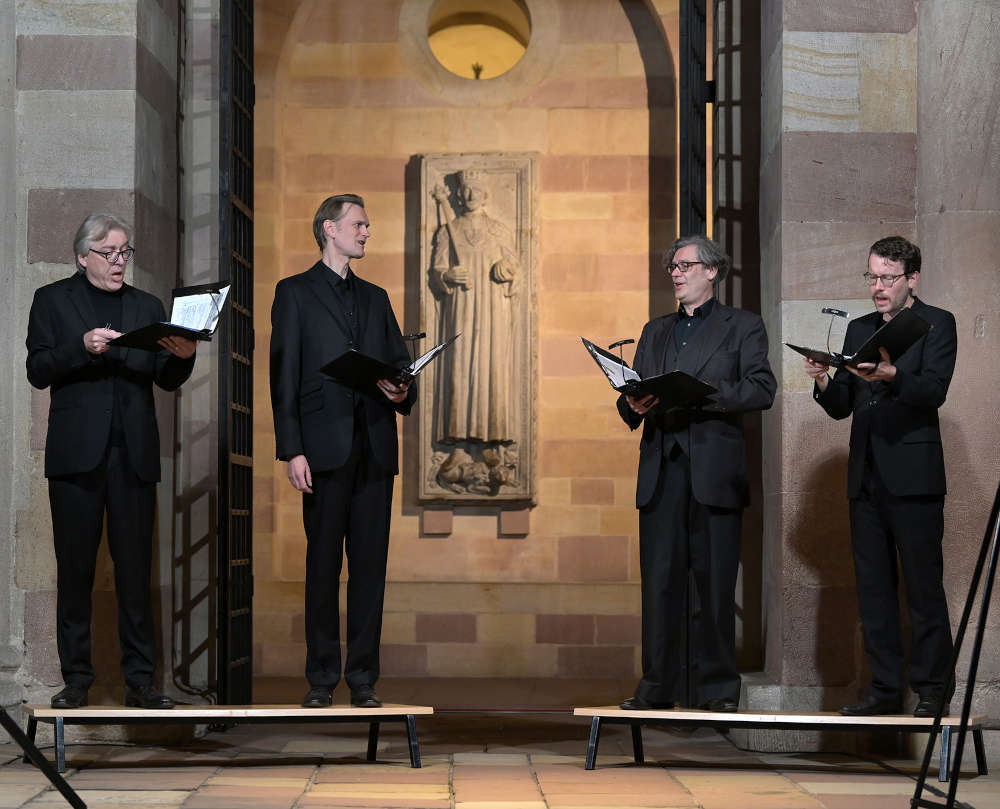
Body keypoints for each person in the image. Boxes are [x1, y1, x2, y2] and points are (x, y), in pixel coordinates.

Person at [26, 213, 197, 710]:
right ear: (83, 257)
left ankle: (141, 682)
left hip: (133, 457)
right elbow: (38, 369)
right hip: (76, 458)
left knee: (134, 573)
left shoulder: (146, 307)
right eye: (109, 253)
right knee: (75, 571)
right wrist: (81, 348)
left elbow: (166, 378)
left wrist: (184, 354)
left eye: (126, 252)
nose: (120, 261)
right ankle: (76, 679)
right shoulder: (53, 301)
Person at [618, 235, 775, 713]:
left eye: (685, 265)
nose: (675, 273)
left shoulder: (742, 326)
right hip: (662, 471)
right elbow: (633, 396)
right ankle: (656, 687)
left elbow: (762, 388)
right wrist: (631, 402)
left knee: (714, 584)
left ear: (712, 271)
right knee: (660, 583)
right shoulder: (655, 330)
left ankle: (717, 690)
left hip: (713, 471)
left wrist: (704, 395)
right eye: (672, 266)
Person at [270, 194, 415, 709]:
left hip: (374, 447)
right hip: (323, 449)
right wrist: (292, 450)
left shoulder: (376, 298)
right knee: (323, 564)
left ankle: (363, 678)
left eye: (368, 225)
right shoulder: (295, 293)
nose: (367, 232)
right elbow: (283, 376)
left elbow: (400, 366)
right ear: (329, 229)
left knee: (370, 567)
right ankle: (320, 677)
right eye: (360, 224)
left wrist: (402, 390)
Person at [805, 235, 956, 717]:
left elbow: (933, 391)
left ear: (912, 279)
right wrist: (824, 379)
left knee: (923, 588)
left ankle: (933, 689)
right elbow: (842, 406)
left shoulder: (936, 323)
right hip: (865, 477)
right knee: (873, 590)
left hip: (913, 477)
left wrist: (893, 377)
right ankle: (883, 689)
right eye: (871, 276)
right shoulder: (859, 329)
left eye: (887, 278)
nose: (877, 286)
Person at [430, 170, 519, 446]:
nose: (470, 196)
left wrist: (506, 270)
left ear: (485, 195)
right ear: (458, 194)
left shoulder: (498, 229)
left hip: (493, 309)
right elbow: (438, 270)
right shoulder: (448, 230)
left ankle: (495, 432)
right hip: (461, 307)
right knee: (459, 363)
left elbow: (515, 264)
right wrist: (446, 276)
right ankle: (457, 431)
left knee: (493, 364)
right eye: (466, 190)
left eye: (476, 191)